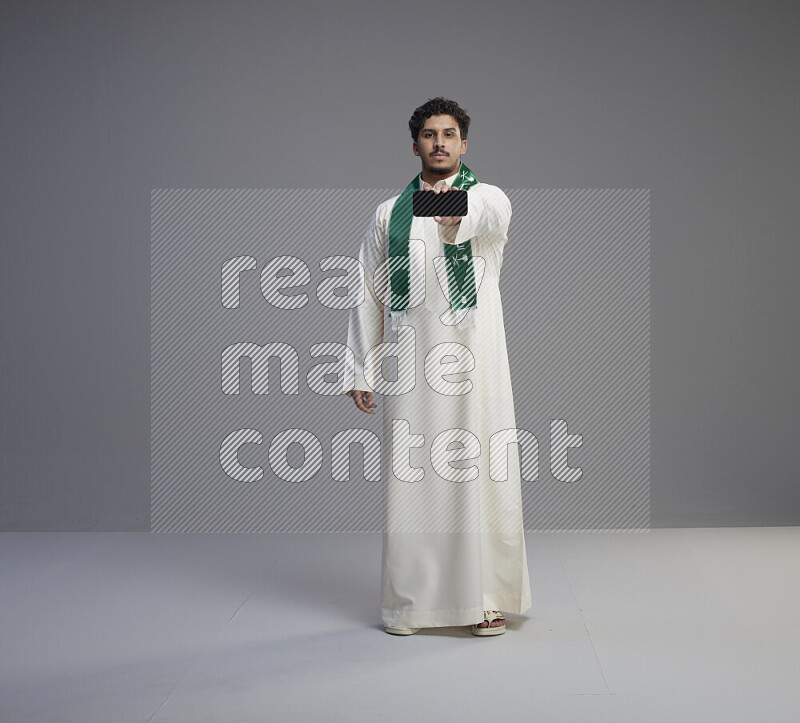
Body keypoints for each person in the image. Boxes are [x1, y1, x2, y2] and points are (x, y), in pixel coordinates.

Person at [344, 97, 532, 636]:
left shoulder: (487, 198)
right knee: (414, 482)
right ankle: (412, 603)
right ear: (415, 145)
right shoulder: (387, 214)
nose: (440, 143)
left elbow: (482, 217)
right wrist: (362, 367)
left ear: (464, 144)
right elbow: (367, 293)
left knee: (481, 475)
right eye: (430, 135)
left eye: (450, 134)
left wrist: (452, 211)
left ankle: (486, 598)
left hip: (477, 367)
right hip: (413, 368)